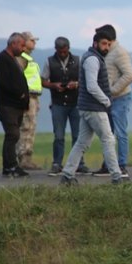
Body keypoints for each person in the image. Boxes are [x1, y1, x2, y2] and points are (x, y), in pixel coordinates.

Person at [58, 26, 122, 185]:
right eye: (103, 44)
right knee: (108, 139)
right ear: (95, 44)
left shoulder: (92, 57)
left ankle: (67, 175)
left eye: (108, 44)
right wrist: (106, 100)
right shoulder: (93, 60)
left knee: (81, 143)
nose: (106, 47)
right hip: (95, 108)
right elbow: (92, 86)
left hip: (87, 107)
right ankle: (117, 177)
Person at [41, 37, 88, 175]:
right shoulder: (49, 61)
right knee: (59, 136)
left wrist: (77, 84)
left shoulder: (78, 61)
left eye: (64, 51)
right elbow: (43, 81)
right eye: (59, 51)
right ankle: (57, 163)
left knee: (78, 135)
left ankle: (79, 163)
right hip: (58, 104)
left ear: (68, 48)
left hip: (76, 103)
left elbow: (85, 79)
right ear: (56, 49)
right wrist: (54, 85)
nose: (62, 53)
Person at [93, 24, 132, 179]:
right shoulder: (106, 52)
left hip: (120, 98)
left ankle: (122, 165)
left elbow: (129, 75)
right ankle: (108, 164)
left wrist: (113, 90)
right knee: (107, 132)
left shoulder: (119, 52)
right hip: (108, 100)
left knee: (120, 132)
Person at [0, 33, 30, 178]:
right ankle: (10, 166)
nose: (23, 49)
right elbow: (4, 82)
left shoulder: (13, 60)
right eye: (21, 45)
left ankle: (11, 166)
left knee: (14, 135)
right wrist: (19, 94)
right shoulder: (2, 59)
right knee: (12, 134)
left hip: (17, 106)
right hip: (7, 105)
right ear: (13, 44)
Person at [16, 31, 43, 170]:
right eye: (32, 40)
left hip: (33, 97)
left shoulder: (28, 58)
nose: (34, 43)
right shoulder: (21, 58)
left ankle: (26, 158)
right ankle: (24, 158)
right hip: (27, 98)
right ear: (24, 42)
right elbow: (18, 78)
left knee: (30, 127)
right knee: (27, 127)